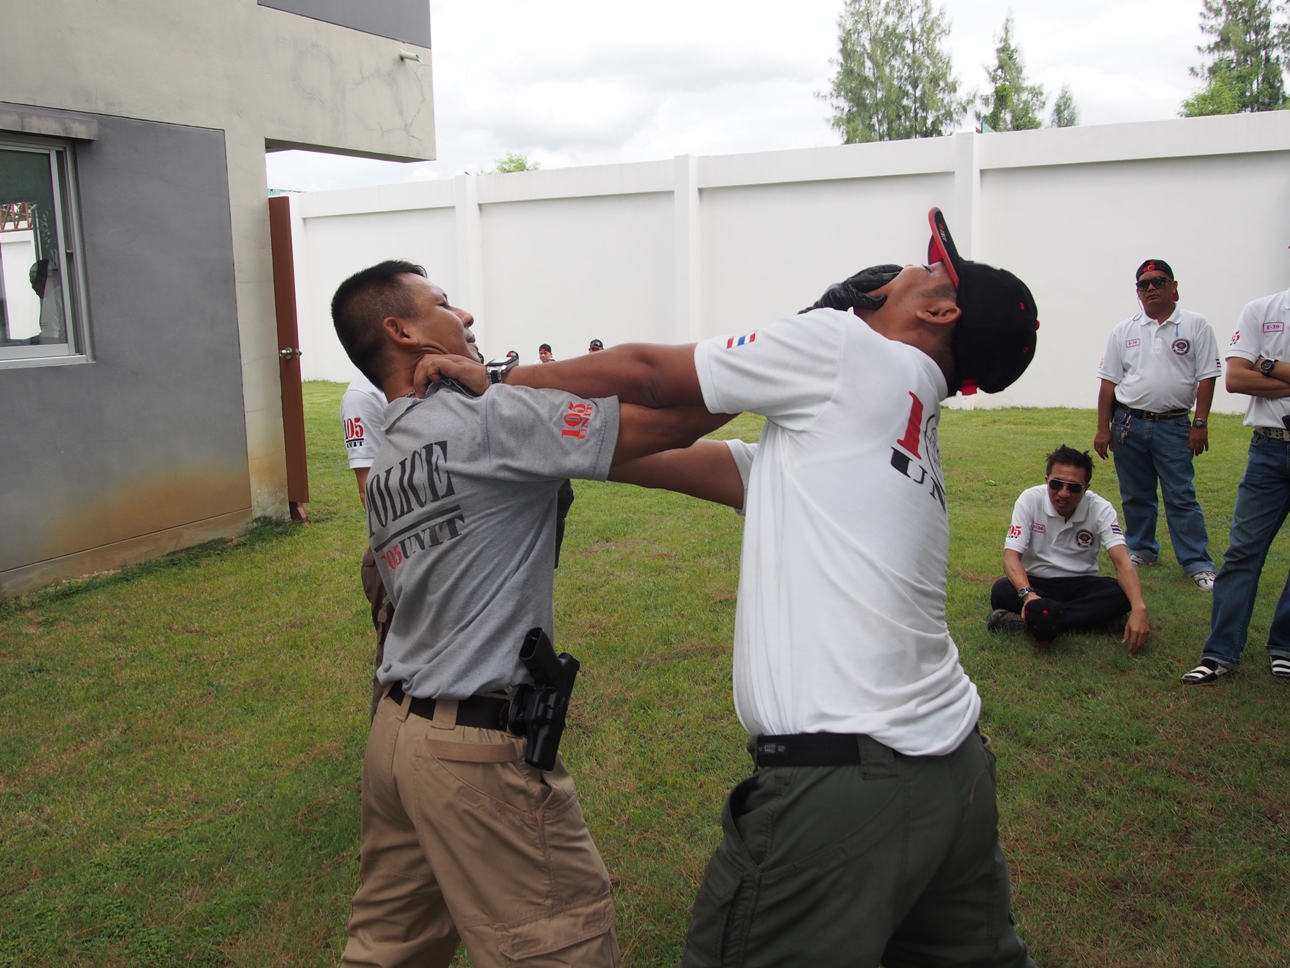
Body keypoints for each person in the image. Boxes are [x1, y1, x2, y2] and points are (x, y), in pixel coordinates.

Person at [420, 208, 1043, 967]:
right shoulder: (893, 414)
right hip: (956, 776)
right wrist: (549, 445)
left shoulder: (844, 347)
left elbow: (652, 372)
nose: (897, 271)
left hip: (846, 782)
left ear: (939, 311)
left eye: (924, 271)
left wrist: (500, 379)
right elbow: (732, 470)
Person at [330, 259, 726, 967]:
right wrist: (788, 362)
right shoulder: (487, 416)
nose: (467, 316)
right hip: (471, 753)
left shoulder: (391, 446)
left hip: (396, 737)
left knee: (389, 949)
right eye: (444, 303)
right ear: (404, 330)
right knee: (559, 942)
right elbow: (674, 419)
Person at [1181, 275, 1290, 685]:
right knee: (1243, 552)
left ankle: (1285, 647)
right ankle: (1221, 652)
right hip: (1269, 447)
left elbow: (1252, 373)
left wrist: (1268, 366)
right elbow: (1236, 379)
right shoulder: (1262, 310)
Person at [1093, 259, 1220, 590]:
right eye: (1144, 284)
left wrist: (1200, 423)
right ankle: (1143, 549)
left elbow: (1207, 377)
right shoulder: (1124, 330)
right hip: (1128, 423)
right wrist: (1103, 428)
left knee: (1180, 494)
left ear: (1174, 287)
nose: (1151, 288)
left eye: (1159, 281)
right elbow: (1108, 383)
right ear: (1137, 291)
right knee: (1136, 493)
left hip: (1175, 425)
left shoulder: (1196, 325)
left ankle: (1196, 561)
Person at [988, 445, 1150, 651]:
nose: (1064, 493)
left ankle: (1032, 622)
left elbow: (1122, 562)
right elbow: (1011, 558)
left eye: (1074, 487)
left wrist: (1139, 608)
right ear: (1047, 480)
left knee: (1120, 593)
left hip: (1081, 585)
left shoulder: (1101, 508)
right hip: (1037, 584)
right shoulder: (1029, 499)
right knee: (1002, 590)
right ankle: (1095, 623)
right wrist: (1029, 596)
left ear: (1086, 487)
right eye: (1056, 484)